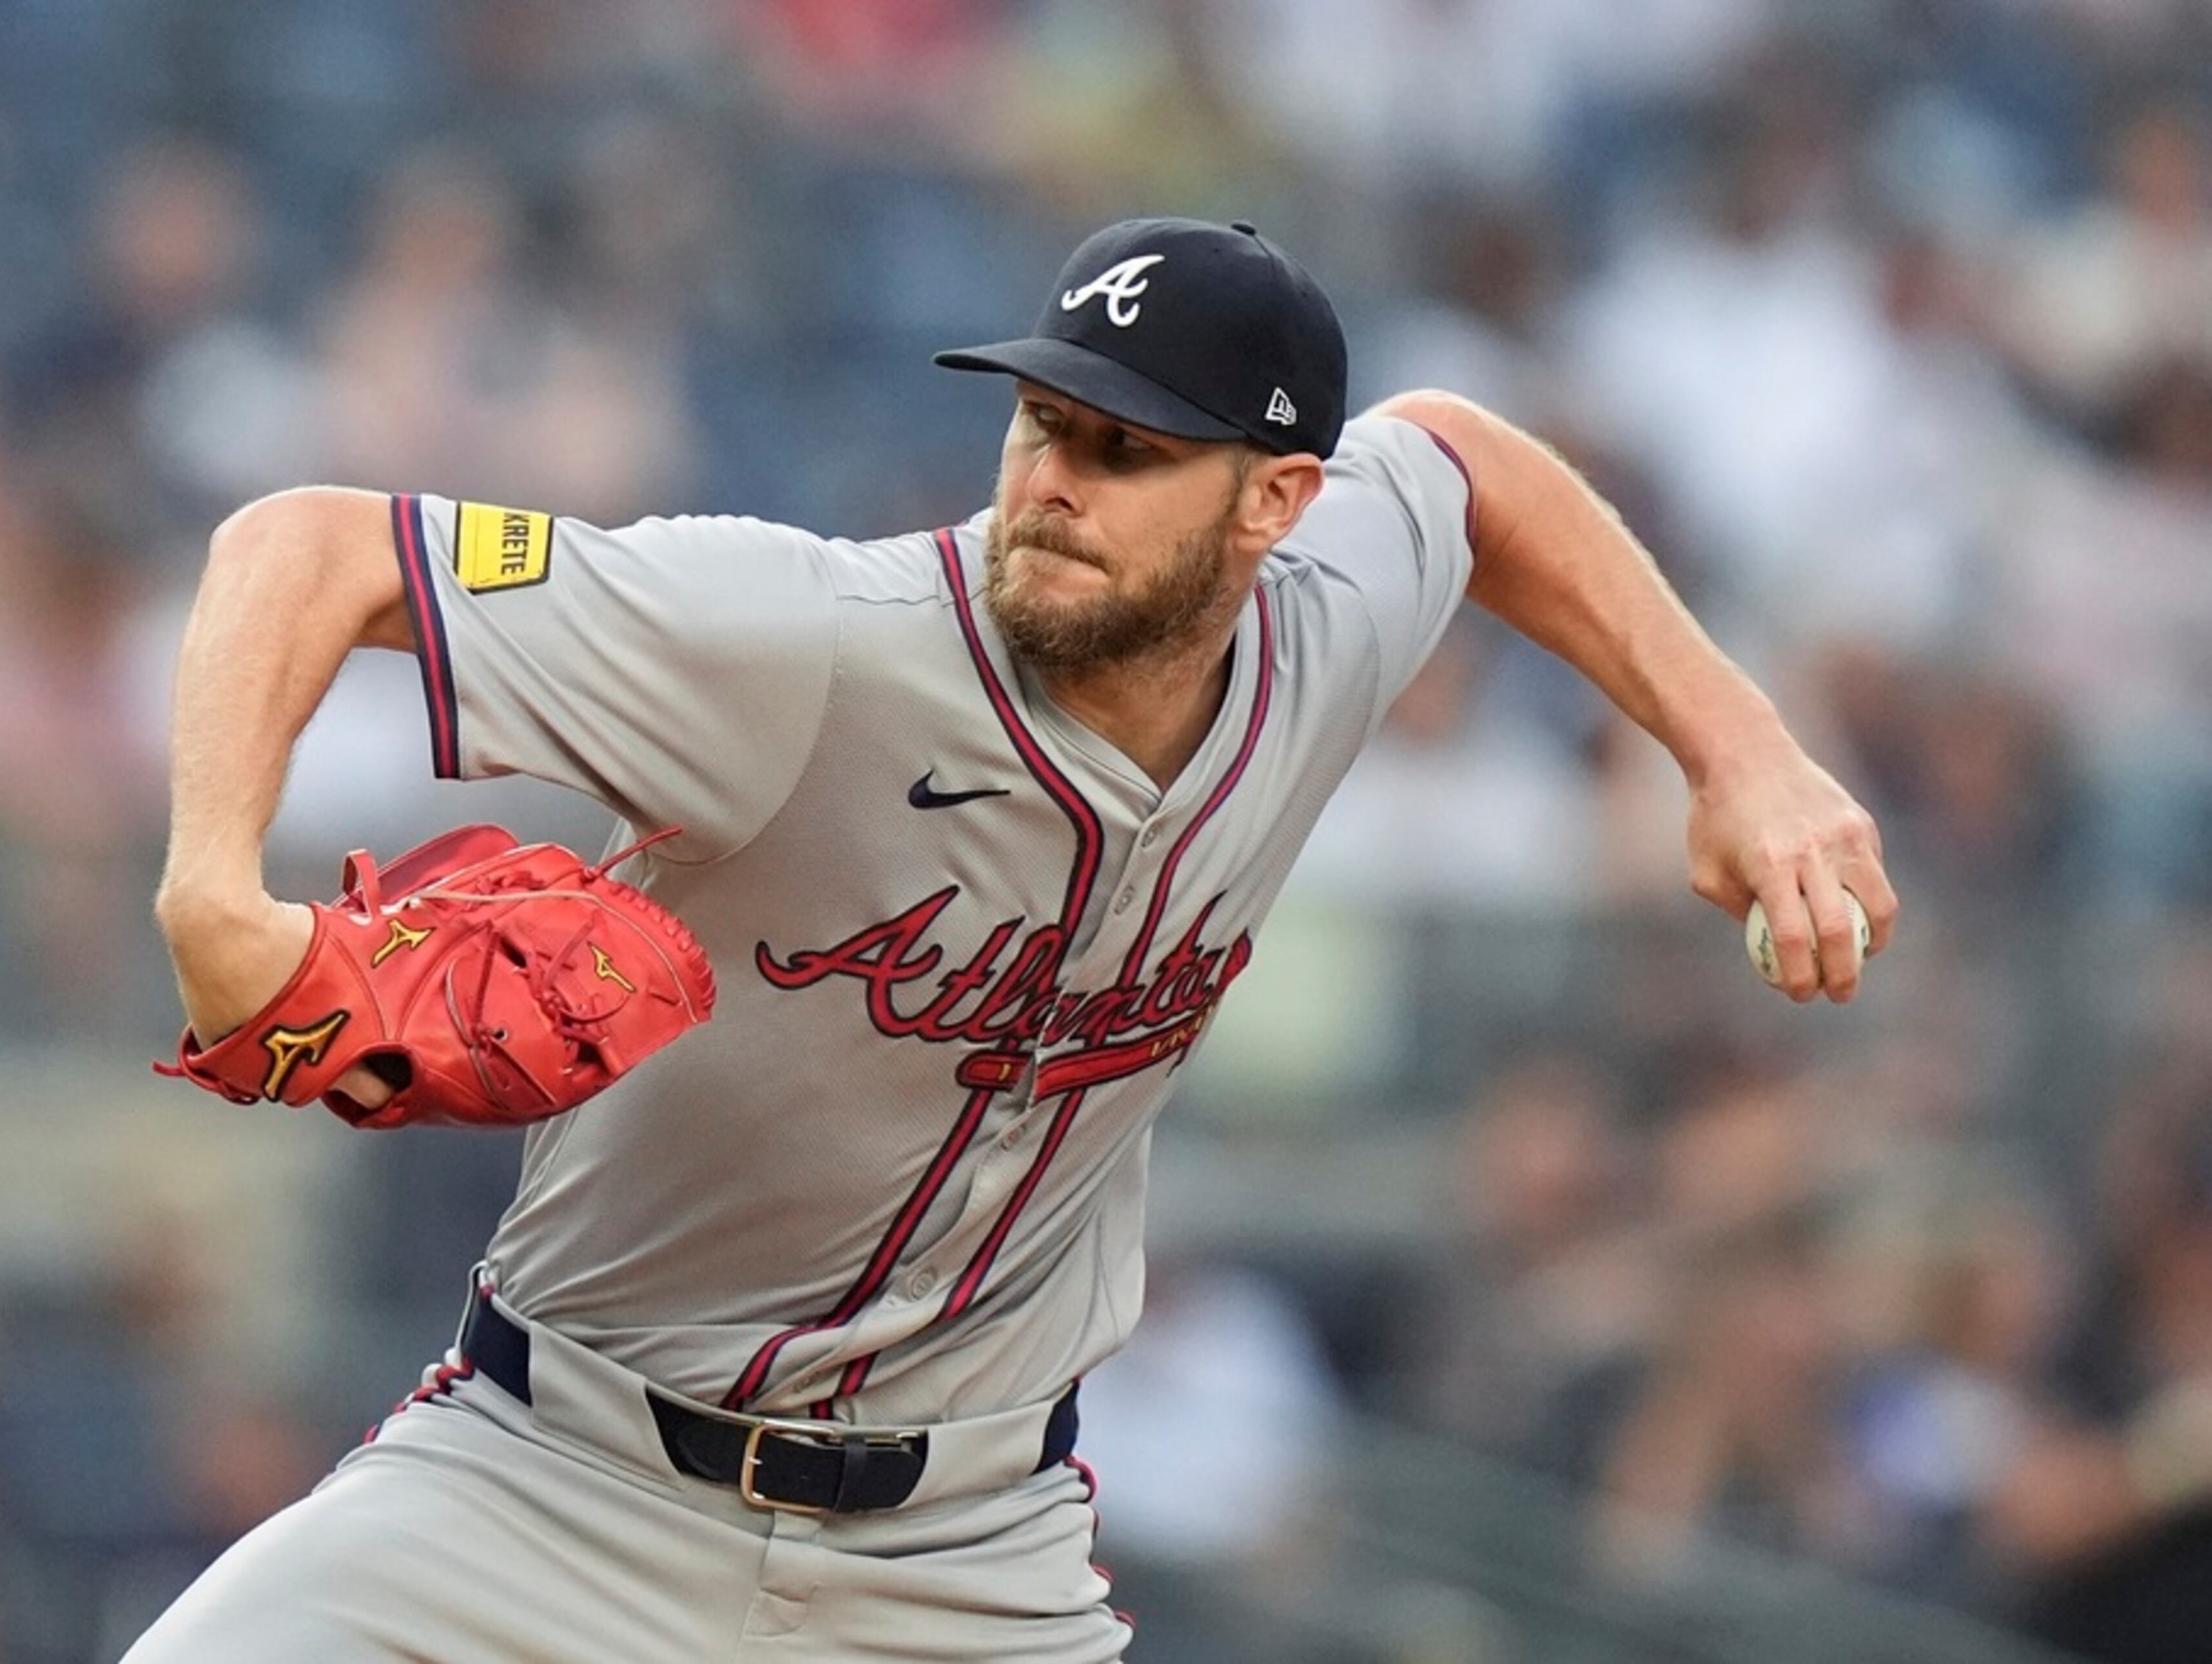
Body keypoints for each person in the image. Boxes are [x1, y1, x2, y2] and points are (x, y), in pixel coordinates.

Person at [134, 216, 1896, 1661]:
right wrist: (215, 887)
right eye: (1044, 418)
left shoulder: (1329, 632)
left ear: (1273, 504)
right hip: (548, 1489)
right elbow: (303, 551)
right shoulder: (801, 641)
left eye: (1128, 449)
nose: (1056, 477)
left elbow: (1468, 463)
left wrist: (1739, 748)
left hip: (961, 1563)